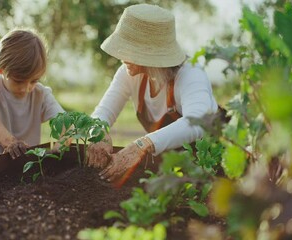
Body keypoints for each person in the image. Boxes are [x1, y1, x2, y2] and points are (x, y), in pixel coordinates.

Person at [86, 4, 219, 186]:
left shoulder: (191, 74)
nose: (121, 56)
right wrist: (98, 132)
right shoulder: (127, 72)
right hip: (174, 169)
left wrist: (141, 145)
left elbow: (198, 121)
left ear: (150, 54)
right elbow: (103, 112)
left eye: (129, 49)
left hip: (211, 167)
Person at [0, 28, 64, 159]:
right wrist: (11, 143)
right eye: (19, 81)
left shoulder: (41, 94)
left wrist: (60, 145)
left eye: (34, 81)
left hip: (26, 164)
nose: (26, 88)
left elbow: (66, 123)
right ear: (0, 69)